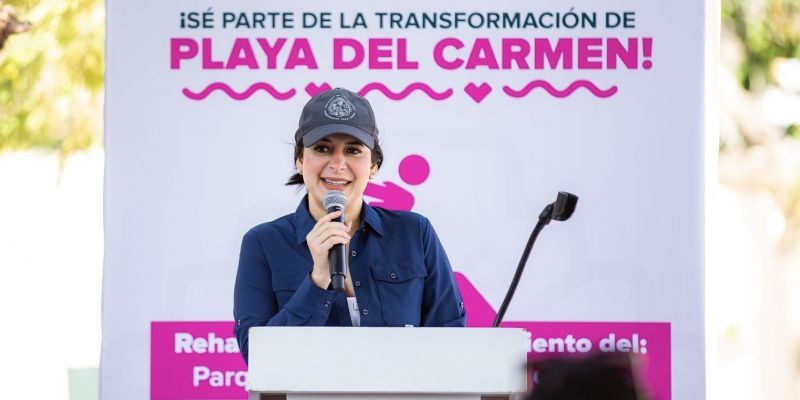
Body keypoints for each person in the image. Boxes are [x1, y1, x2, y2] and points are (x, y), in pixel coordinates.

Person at [233, 88, 466, 363]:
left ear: (374, 165)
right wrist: (318, 278)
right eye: (322, 148)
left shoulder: (415, 233)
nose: (338, 164)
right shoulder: (263, 243)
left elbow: (450, 340)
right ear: (299, 160)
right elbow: (259, 358)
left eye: (353, 150)